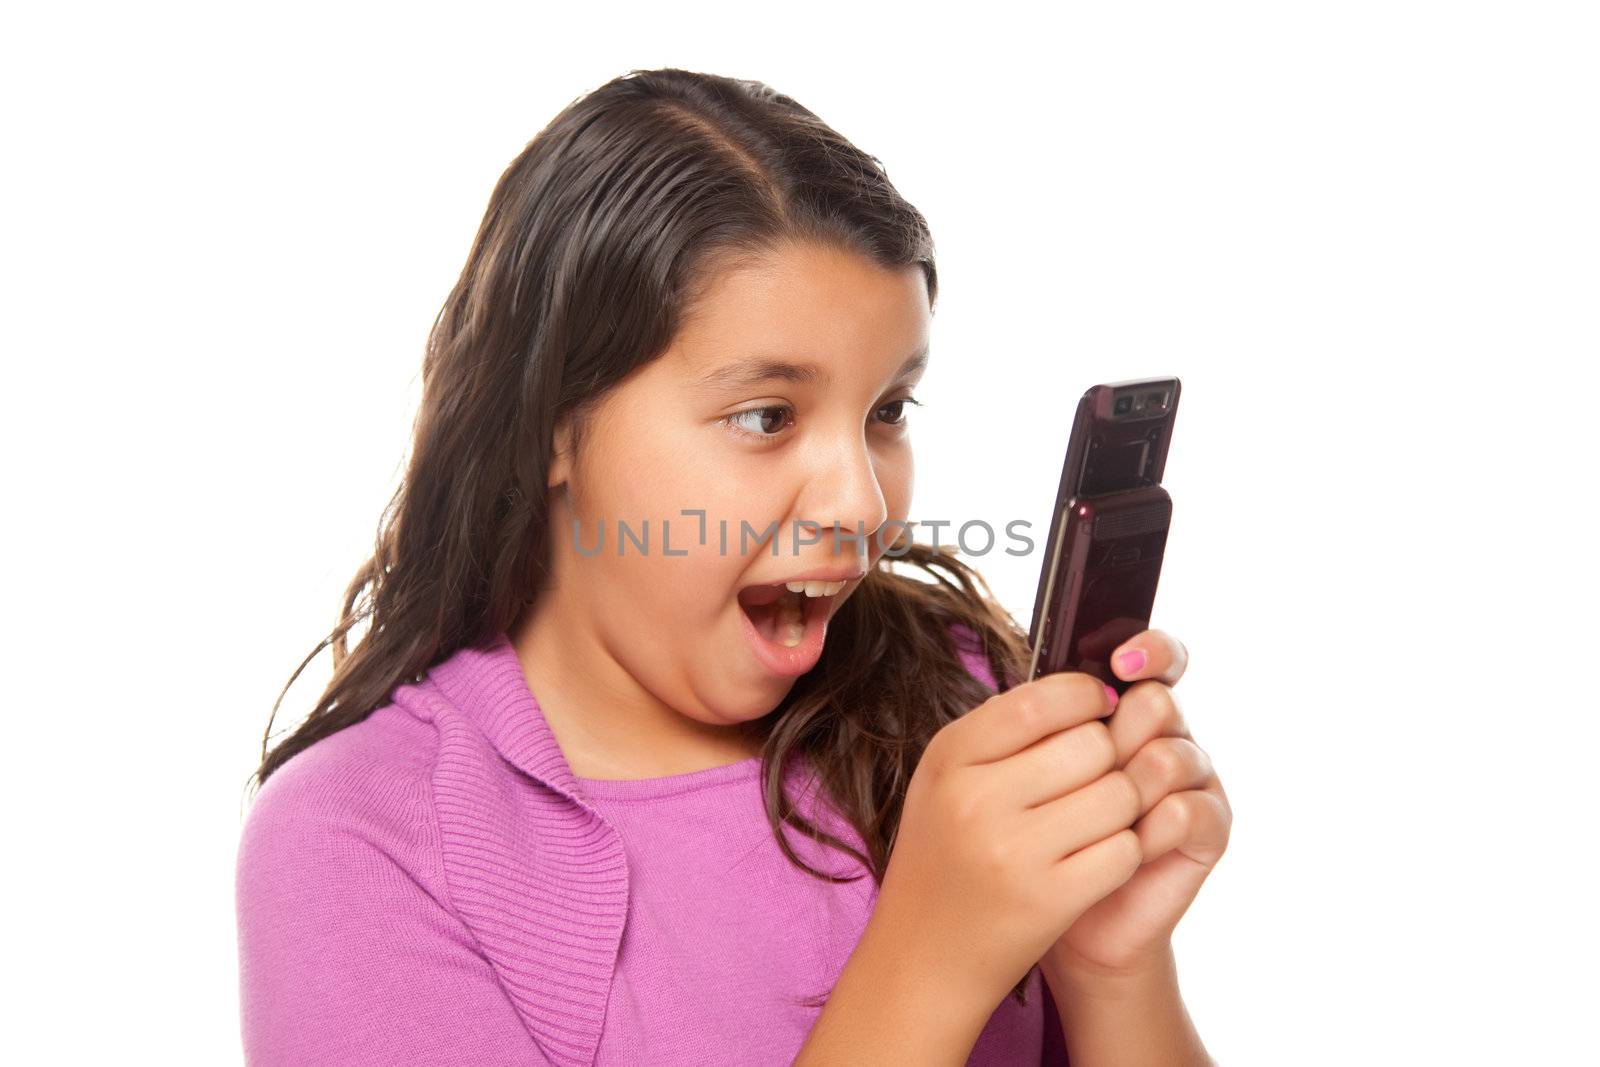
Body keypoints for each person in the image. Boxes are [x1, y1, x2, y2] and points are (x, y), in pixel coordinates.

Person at [235, 67, 1230, 1066]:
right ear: (551, 427)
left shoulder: (957, 698)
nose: (860, 503)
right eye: (765, 416)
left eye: (886, 409)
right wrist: (931, 958)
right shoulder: (360, 839)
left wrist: (1111, 967)